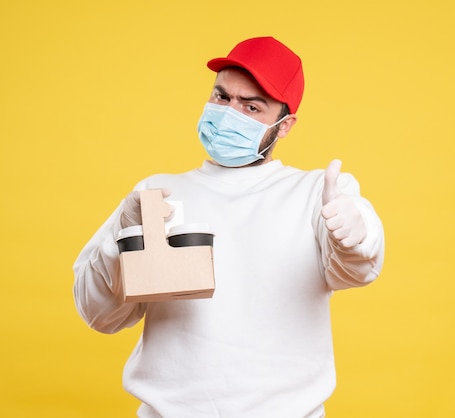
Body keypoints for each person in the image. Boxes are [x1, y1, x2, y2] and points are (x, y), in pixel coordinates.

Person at [73, 36, 385, 418]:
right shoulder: (156, 195)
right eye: (222, 98)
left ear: (284, 125)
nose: (229, 113)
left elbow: (354, 270)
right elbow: (99, 315)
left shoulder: (317, 194)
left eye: (251, 106)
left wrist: (357, 238)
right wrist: (121, 243)